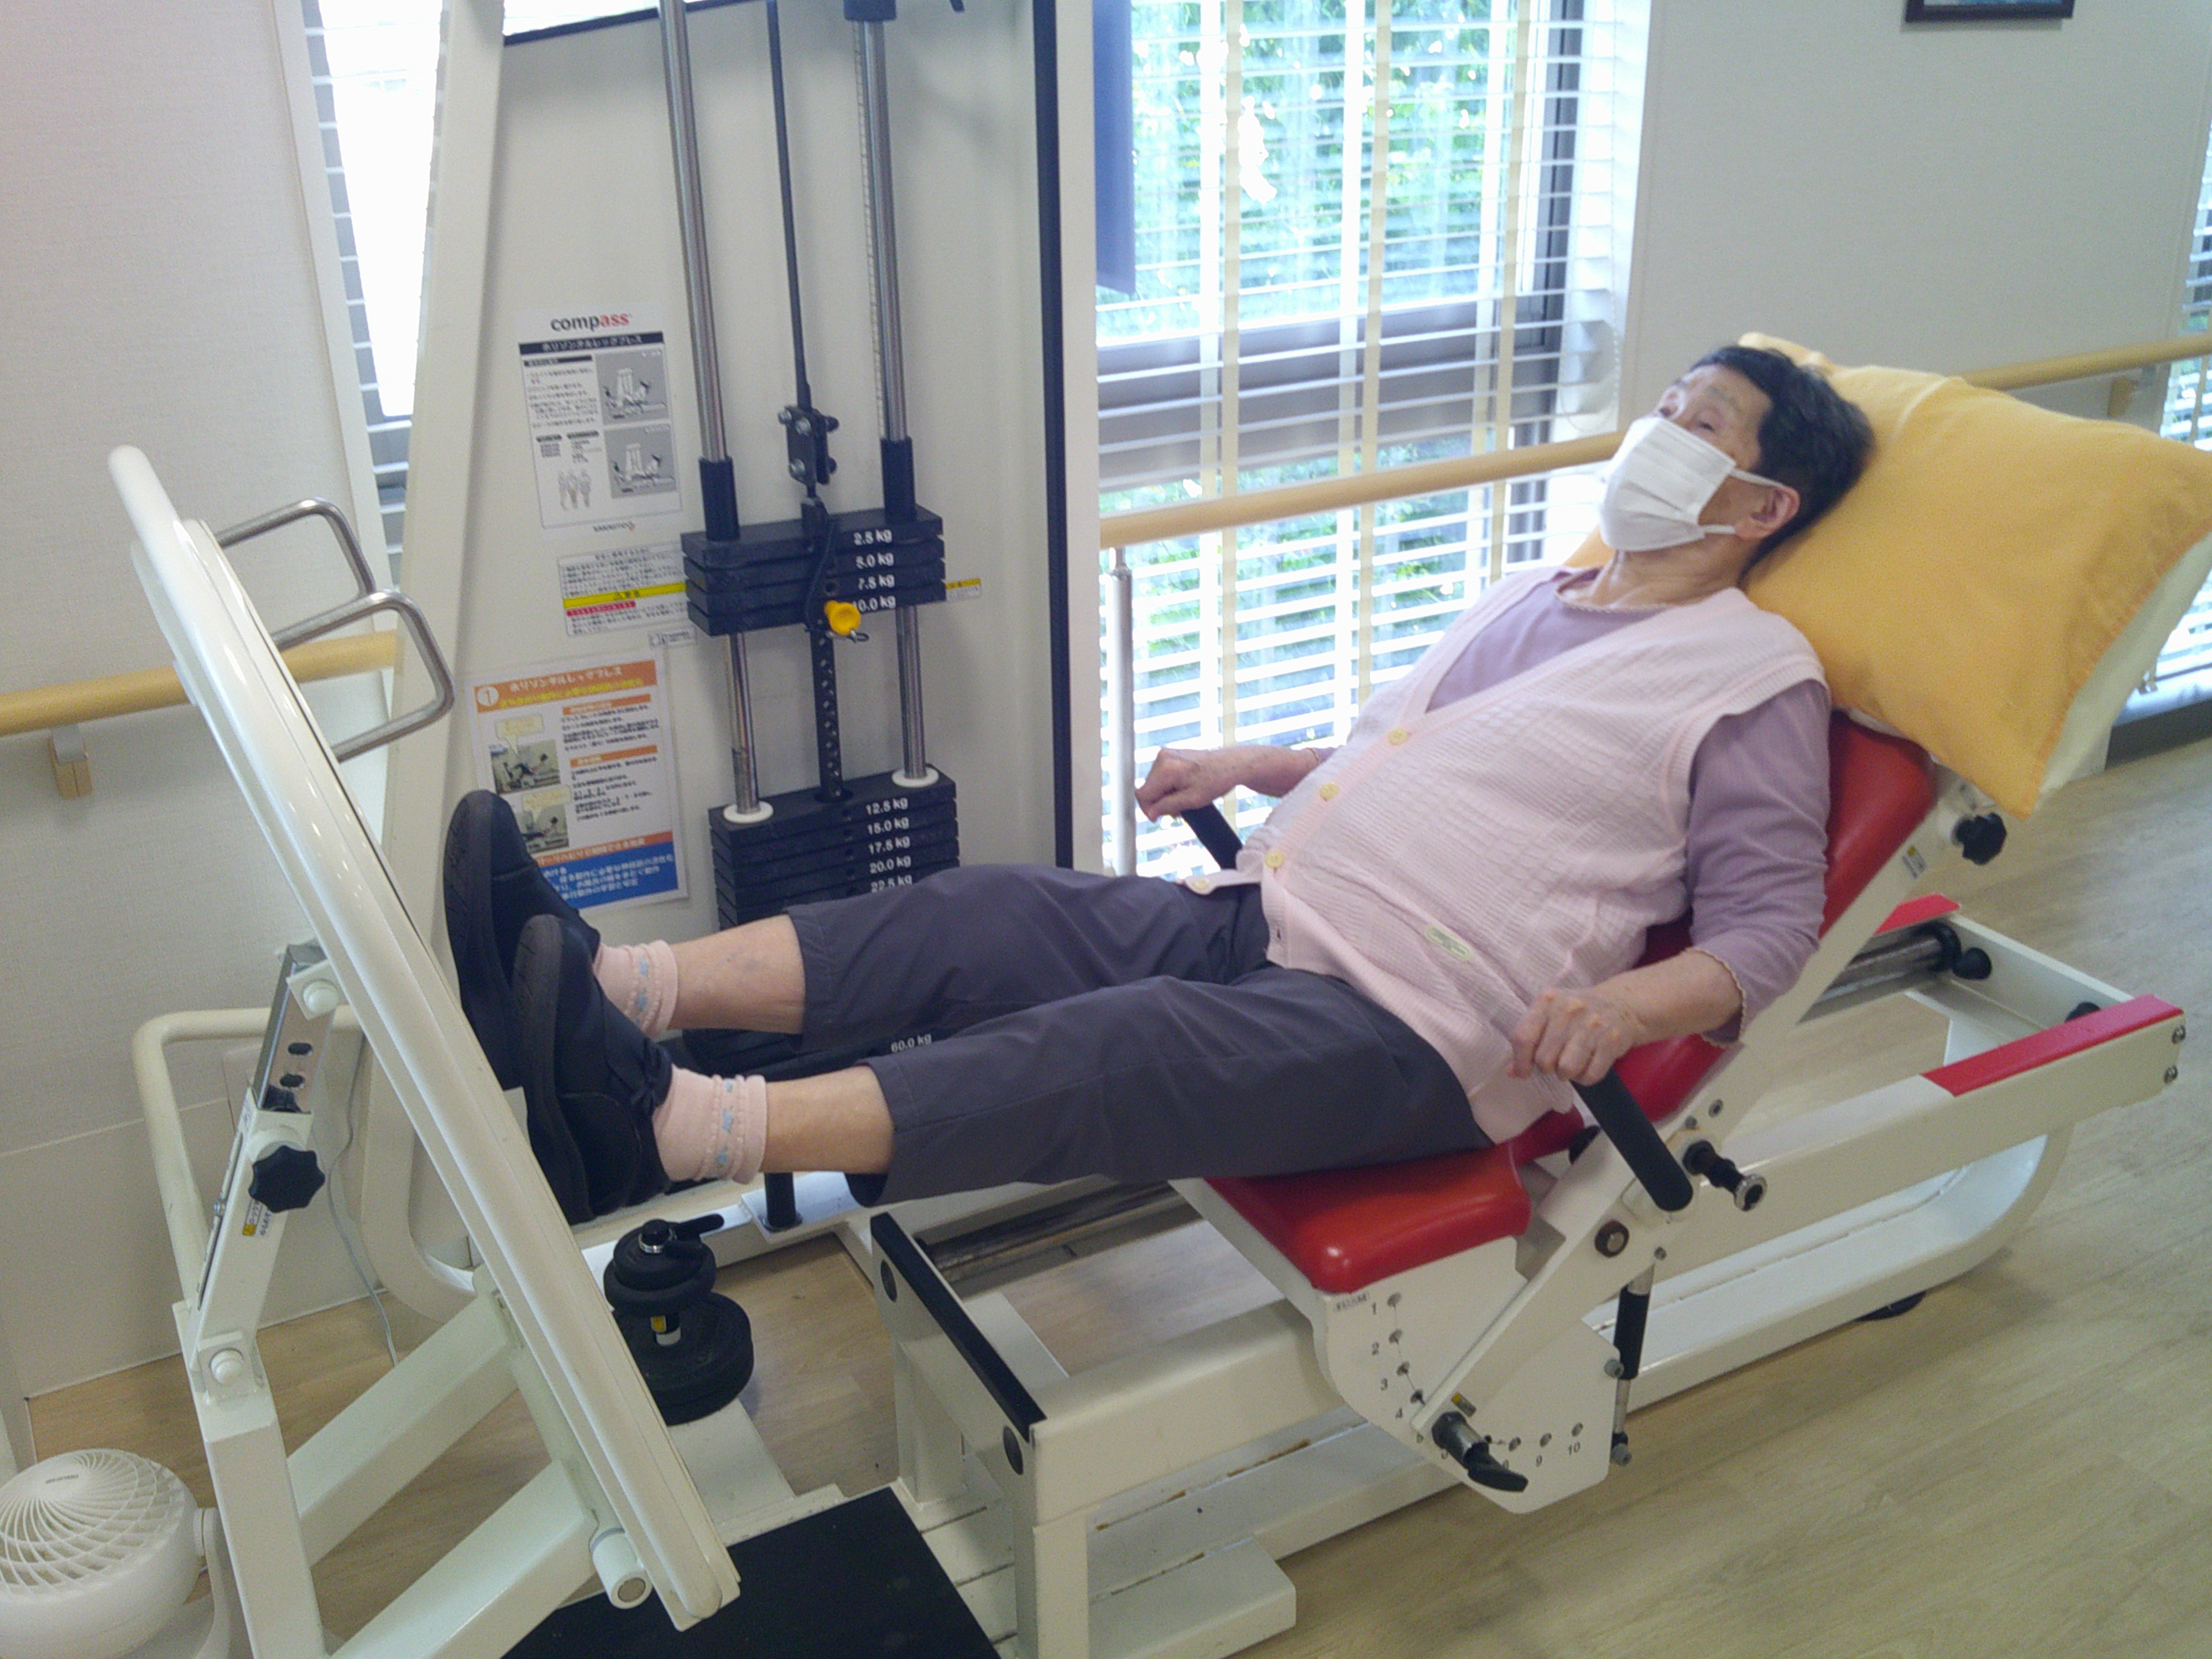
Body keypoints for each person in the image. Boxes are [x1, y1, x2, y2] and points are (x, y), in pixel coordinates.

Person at [444, 345, 1875, 1223]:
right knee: (983, 915)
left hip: (1415, 1033)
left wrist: (1626, 1009)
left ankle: (671, 1136)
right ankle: (610, 987)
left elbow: (1768, 932)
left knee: (1109, 1051)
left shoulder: (1751, 678)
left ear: (1765, 506)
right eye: (1665, 406)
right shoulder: (1544, 589)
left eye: (1700, 424)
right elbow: (1440, 763)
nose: (1657, 432)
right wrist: (1262, 763)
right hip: (1267, 915)